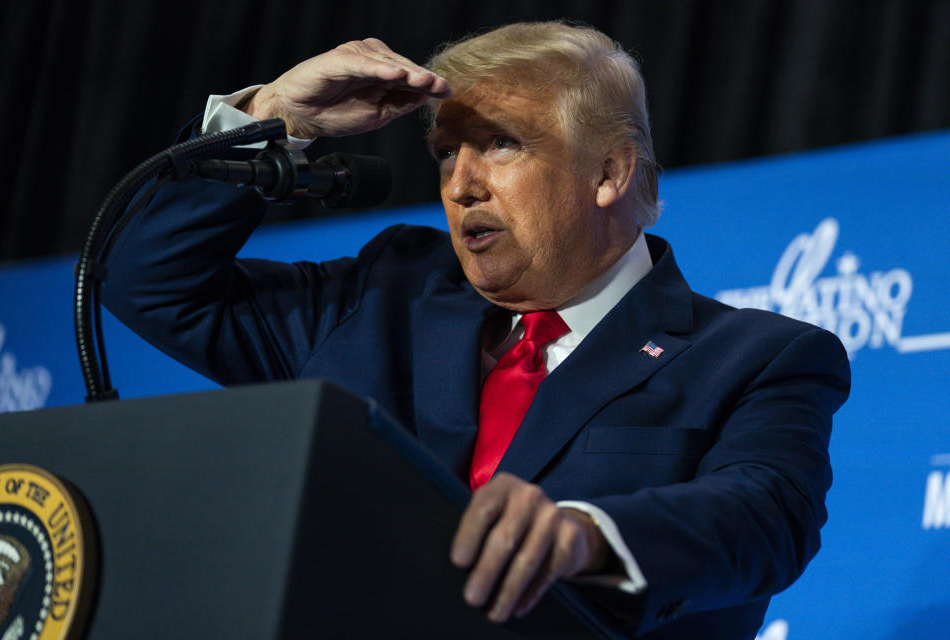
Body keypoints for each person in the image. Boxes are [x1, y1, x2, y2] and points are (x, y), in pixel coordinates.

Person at [102, 22, 850, 639]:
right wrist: (272, 119)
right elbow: (149, 280)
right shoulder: (386, 292)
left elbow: (764, 516)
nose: (460, 184)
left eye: (500, 144)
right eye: (446, 153)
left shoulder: (756, 359)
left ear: (610, 172)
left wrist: (582, 536)